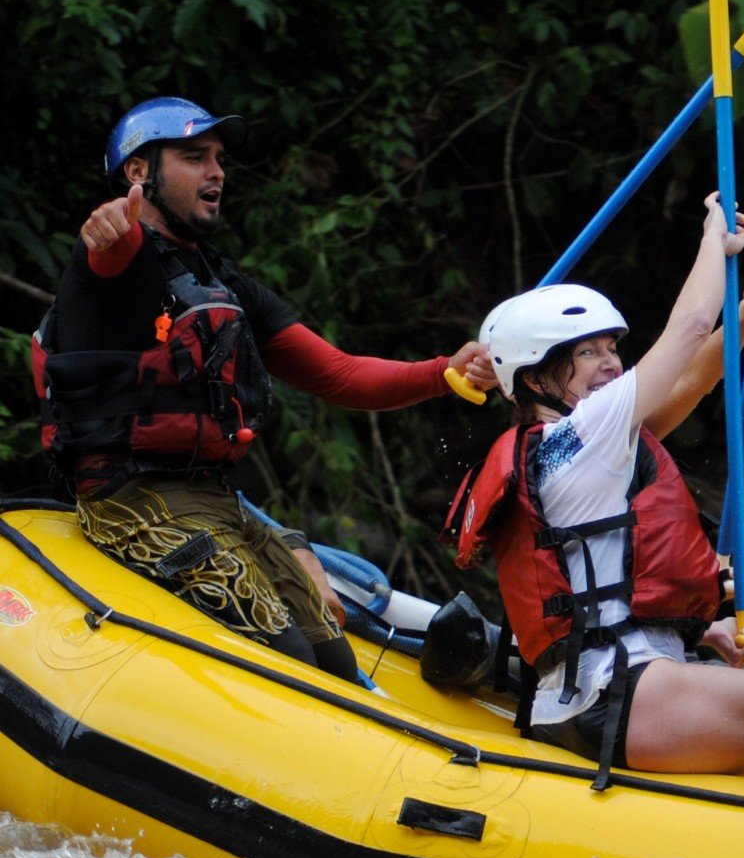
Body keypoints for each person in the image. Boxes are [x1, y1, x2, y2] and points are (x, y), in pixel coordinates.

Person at [30, 96, 496, 681]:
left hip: (217, 502)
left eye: (219, 159)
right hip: (128, 502)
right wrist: (106, 232)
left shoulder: (224, 282)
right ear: (138, 172)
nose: (216, 172)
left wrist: (443, 372)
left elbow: (341, 375)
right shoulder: (116, 258)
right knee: (292, 666)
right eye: (195, 157)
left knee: (335, 661)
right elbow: (109, 250)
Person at [450, 196, 744, 793]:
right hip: (613, 695)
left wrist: (737, 325)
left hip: (615, 681)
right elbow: (687, 330)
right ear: (535, 378)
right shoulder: (581, 432)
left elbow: (688, 376)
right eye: (588, 353)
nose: (611, 363)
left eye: (612, 348)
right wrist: (715, 240)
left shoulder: (567, 445)